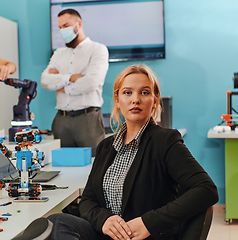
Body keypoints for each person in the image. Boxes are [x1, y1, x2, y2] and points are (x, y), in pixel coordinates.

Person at [42, 64, 219, 240]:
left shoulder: (165, 141)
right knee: (56, 222)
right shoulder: (105, 146)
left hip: (145, 237)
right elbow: (88, 200)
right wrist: (104, 220)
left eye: (144, 92)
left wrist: (148, 223)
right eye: (127, 92)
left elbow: (206, 189)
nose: (136, 100)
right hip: (108, 235)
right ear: (118, 100)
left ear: (155, 100)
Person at [41, 9, 109, 157]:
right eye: (60, 28)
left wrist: (61, 85)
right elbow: (45, 81)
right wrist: (71, 77)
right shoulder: (59, 53)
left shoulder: (98, 49)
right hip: (61, 120)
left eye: (66, 25)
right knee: (61, 166)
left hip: (88, 120)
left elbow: (91, 82)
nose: (62, 31)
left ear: (79, 24)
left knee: (95, 164)